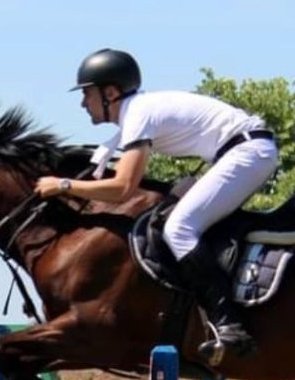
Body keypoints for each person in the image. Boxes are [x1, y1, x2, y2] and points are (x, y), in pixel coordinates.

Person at [34, 48, 279, 362]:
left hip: (248, 153)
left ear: (110, 93)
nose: (83, 103)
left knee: (179, 229)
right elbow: (96, 172)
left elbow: (122, 187)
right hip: (240, 151)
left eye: (88, 94)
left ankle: (228, 323)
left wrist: (63, 185)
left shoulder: (138, 114)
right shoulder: (134, 116)